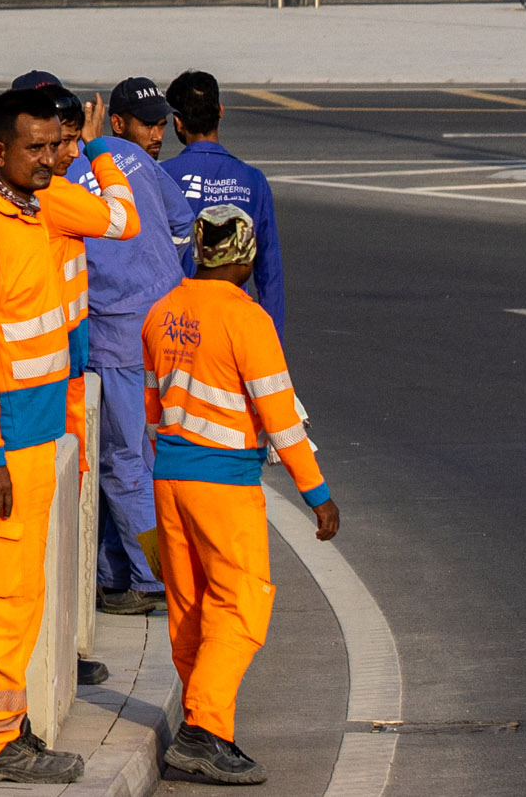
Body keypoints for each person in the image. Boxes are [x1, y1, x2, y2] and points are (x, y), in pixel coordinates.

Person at [0, 78, 128, 785]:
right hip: (3, 444)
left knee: (21, 594)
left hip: (34, 433)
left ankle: (4, 729)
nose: (49, 159)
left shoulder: (29, 215)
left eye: (56, 145)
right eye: (35, 147)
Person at [141, 206, 340, 788]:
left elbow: (152, 406)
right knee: (242, 604)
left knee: (191, 607)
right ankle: (203, 732)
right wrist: (317, 494)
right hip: (223, 486)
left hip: (170, 478)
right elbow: (280, 416)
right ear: (246, 258)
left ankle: (208, 729)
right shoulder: (248, 320)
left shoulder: (162, 312)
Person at [82, 77, 188, 617]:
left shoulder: (62, 177)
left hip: (116, 333)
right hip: (166, 325)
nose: (158, 134)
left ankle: (151, 577)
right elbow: (181, 221)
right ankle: (115, 570)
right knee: (142, 457)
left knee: (122, 462)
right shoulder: (133, 160)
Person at [162, 73, 282, 320]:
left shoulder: (161, 176)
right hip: (231, 319)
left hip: (177, 321)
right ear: (220, 111)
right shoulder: (253, 179)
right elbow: (269, 272)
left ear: (178, 123)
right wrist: (272, 338)